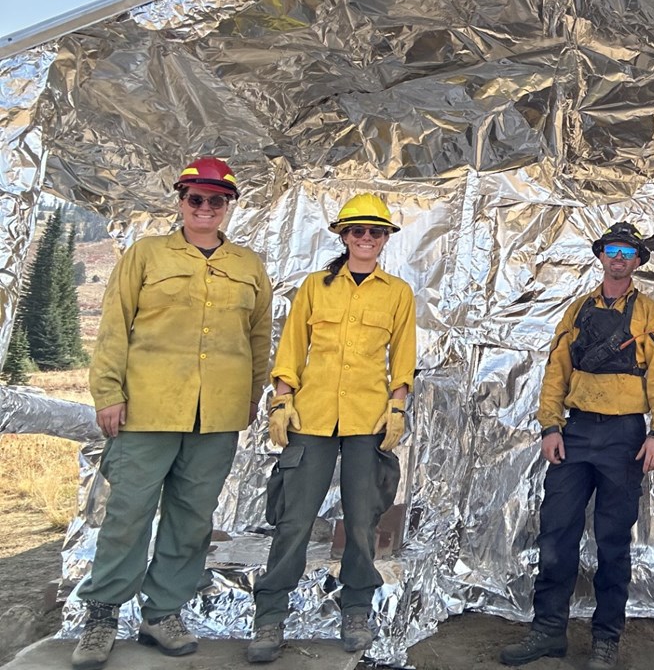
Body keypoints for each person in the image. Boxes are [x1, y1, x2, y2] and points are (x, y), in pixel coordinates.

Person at [74, 157, 272, 670]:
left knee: (191, 521)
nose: (205, 208)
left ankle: (161, 614)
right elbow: (114, 326)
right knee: (127, 515)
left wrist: (250, 398)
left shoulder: (249, 266)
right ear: (181, 201)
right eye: (196, 198)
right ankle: (101, 615)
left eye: (216, 200)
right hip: (147, 408)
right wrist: (108, 394)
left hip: (218, 415)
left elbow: (257, 339)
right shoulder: (146, 255)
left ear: (228, 206)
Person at [499, 222, 654, 670]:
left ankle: (606, 638)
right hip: (576, 433)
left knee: (613, 540)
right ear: (601, 256)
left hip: (624, 438)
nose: (619, 258)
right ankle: (547, 631)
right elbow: (556, 370)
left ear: (638, 261)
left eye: (628, 251)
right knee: (557, 531)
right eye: (612, 250)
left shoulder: (650, 315)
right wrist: (550, 427)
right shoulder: (578, 310)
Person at [247, 193, 416, 663]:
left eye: (375, 232)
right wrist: (282, 401)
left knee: (361, 521)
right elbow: (292, 348)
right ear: (343, 236)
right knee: (294, 520)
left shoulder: (397, 293)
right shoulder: (314, 287)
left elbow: (403, 357)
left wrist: (397, 407)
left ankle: (356, 607)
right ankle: (270, 617)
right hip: (312, 417)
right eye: (358, 231)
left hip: (367, 420)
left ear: (385, 240)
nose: (366, 239)